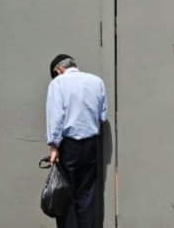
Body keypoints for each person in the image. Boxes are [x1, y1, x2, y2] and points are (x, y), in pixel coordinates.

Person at [46, 54, 107, 228]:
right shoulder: (97, 81)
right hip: (91, 145)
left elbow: (55, 117)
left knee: (65, 196)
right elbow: (102, 116)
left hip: (68, 146)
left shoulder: (57, 84)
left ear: (59, 70)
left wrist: (54, 146)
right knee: (87, 195)